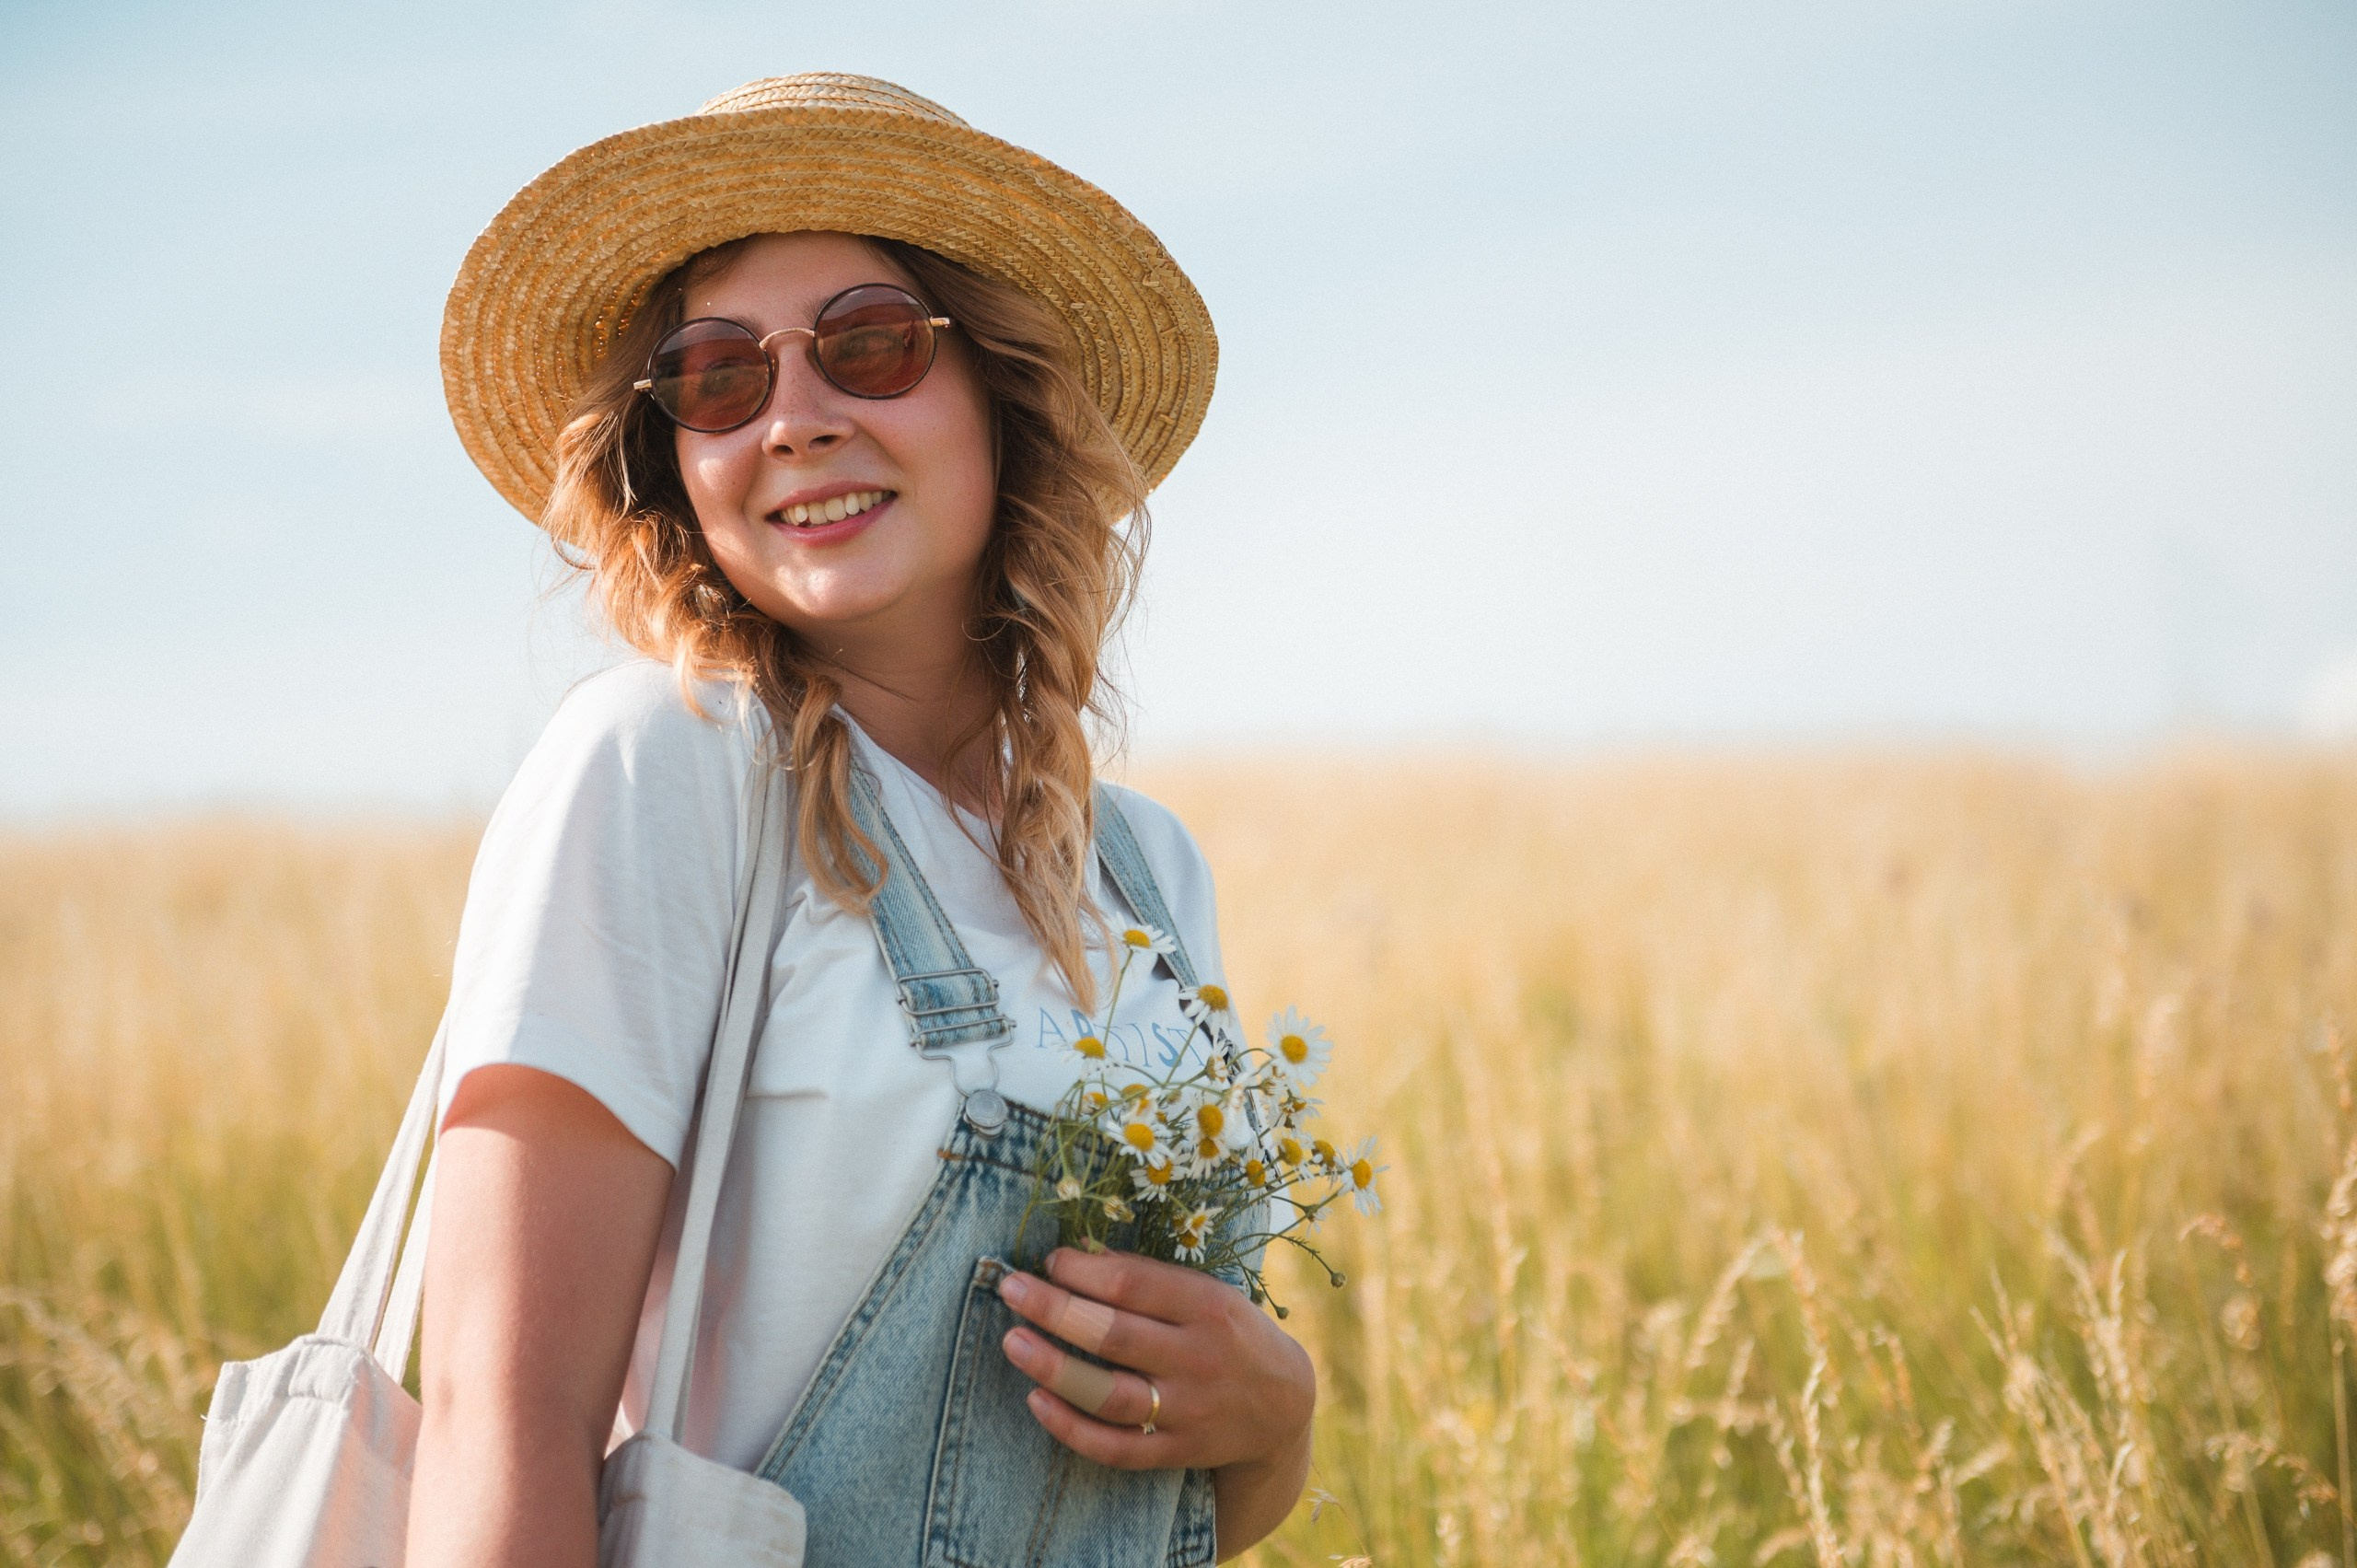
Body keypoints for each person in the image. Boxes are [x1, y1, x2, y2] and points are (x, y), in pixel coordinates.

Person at [410, 74, 1316, 1566]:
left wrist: (1276, 1413)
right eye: (717, 377)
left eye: (870, 346)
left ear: (1000, 399)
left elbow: (1161, 1516)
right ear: (676, 457)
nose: (794, 420)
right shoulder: (663, 771)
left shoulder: (1149, 876)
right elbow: (499, 1425)